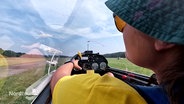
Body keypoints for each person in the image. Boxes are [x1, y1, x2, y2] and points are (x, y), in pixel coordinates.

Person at [50, 0, 184, 104]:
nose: (122, 31)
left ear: (163, 37)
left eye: (122, 22)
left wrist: (71, 63)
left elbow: (58, 81)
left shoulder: (104, 94)